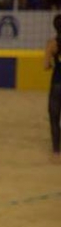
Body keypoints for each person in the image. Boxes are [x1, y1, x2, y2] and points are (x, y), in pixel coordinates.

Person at [44, 14, 61, 162]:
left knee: (55, 118)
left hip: (57, 84)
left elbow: (46, 66)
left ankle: (56, 151)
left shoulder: (52, 43)